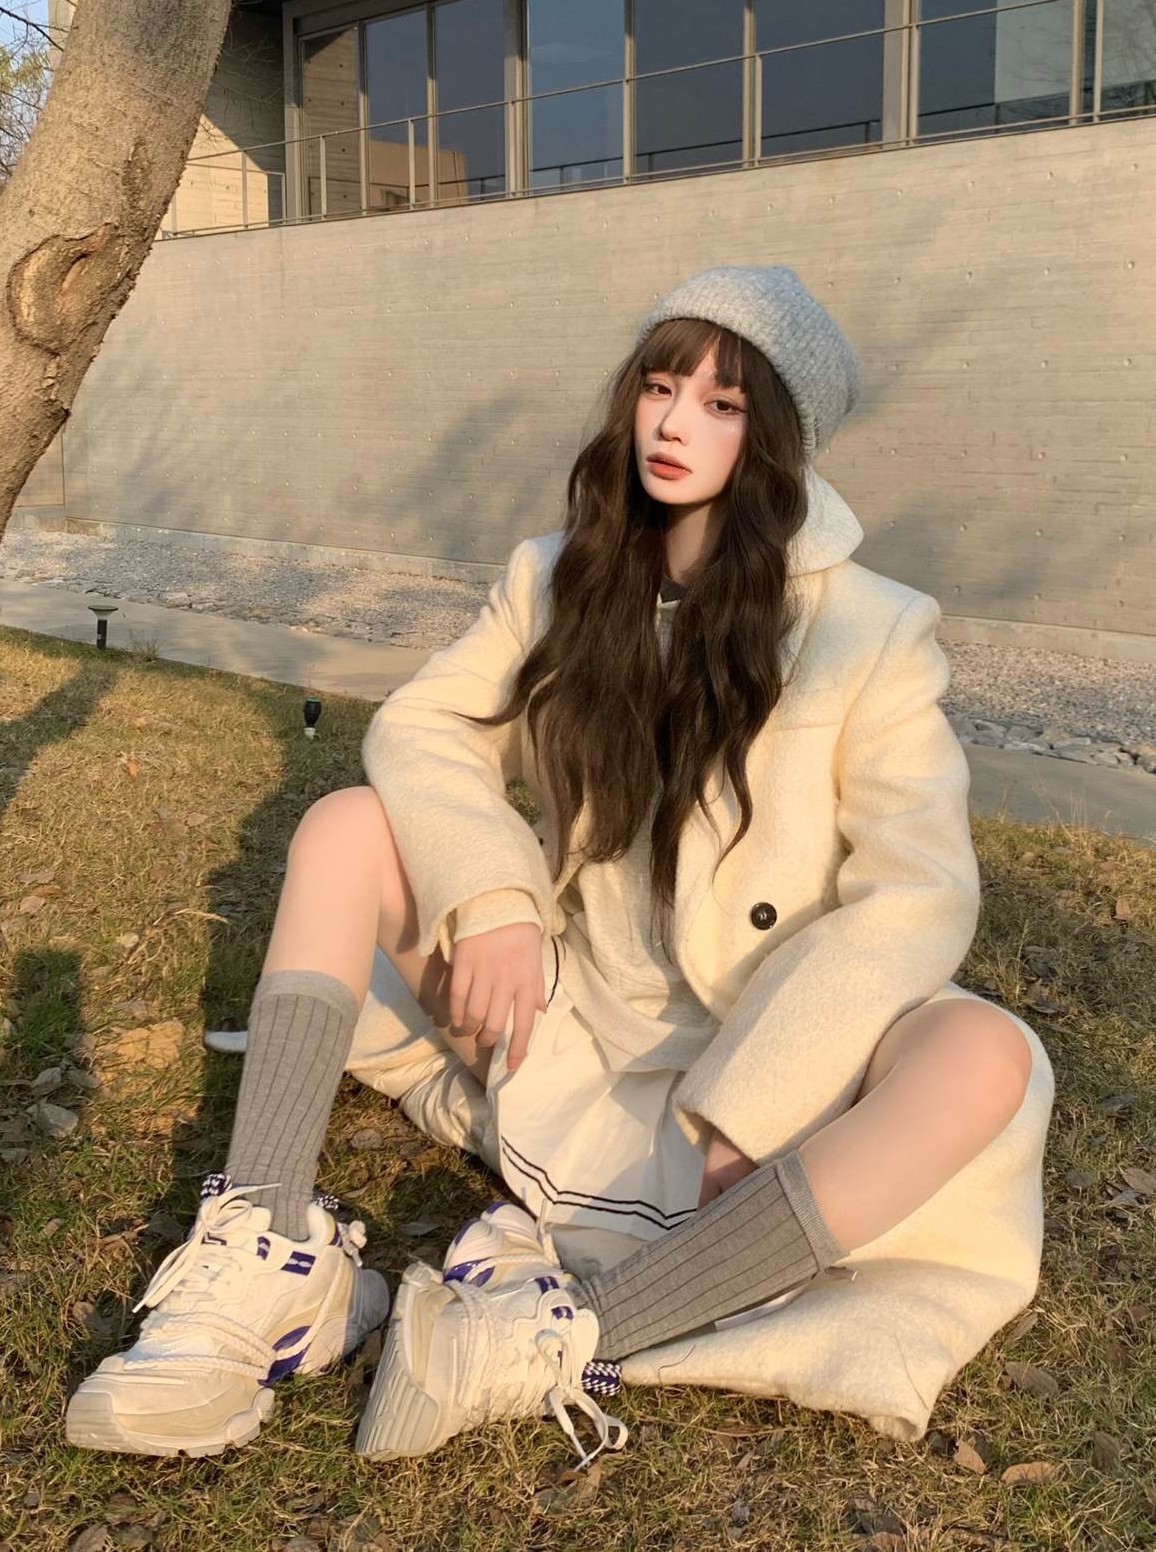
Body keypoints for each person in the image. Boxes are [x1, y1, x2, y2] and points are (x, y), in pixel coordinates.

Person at [66, 265, 1053, 1466]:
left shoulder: (869, 627)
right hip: (568, 1025)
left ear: (776, 442)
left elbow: (918, 891)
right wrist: (496, 901)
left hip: (753, 1075)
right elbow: (423, 729)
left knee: (982, 1052)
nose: (672, 423)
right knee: (345, 825)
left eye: (721, 404)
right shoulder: (556, 575)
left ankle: (562, 1335)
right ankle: (260, 1261)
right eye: (657, 386)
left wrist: (762, 1097)